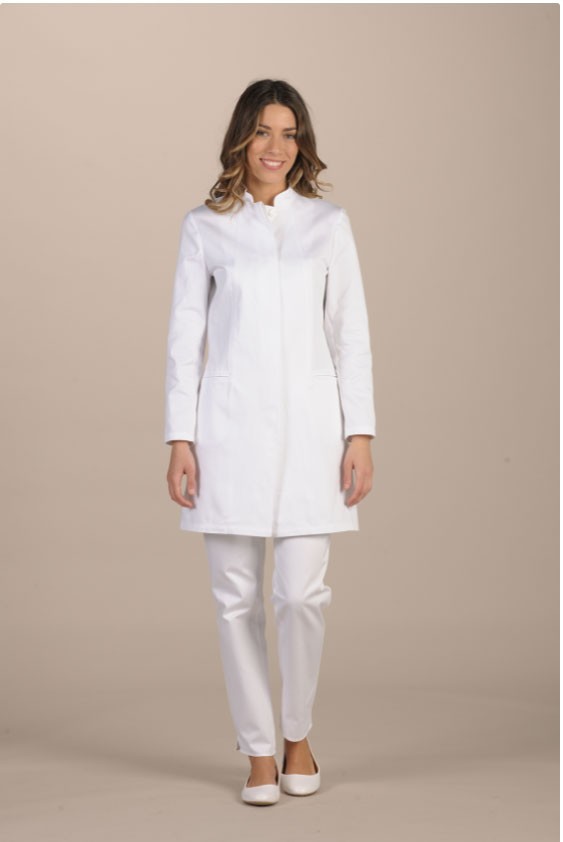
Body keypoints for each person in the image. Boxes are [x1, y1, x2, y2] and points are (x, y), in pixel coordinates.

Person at [164, 79, 376, 806]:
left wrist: (359, 432)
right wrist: (180, 437)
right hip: (226, 432)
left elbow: (350, 335)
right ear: (240, 139)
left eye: (288, 133)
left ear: (302, 143)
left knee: (302, 594)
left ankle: (297, 733)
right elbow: (184, 340)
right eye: (262, 131)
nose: (274, 147)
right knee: (235, 599)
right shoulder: (204, 227)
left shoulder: (328, 224)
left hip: (314, 434)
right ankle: (258, 750)